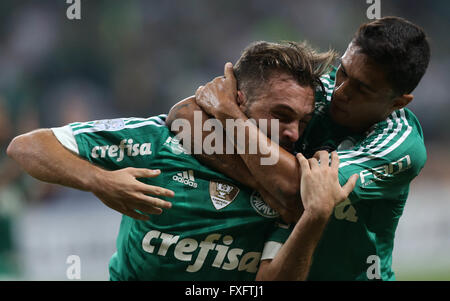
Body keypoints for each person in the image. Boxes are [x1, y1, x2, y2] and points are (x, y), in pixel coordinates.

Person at [7, 41, 357, 280]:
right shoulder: (161, 140)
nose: (294, 134)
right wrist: (101, 181)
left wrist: (315, 215)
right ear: (237, 100)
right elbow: (27, 147)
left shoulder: (295, 181)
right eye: (281, 115)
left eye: (303, 122)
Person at [167, 16, 430, 280]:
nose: (339, 91)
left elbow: (299, 194)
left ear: (398, 102)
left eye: (361, 89)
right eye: (343, 71)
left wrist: (228, 116)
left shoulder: (400, 145)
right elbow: (185, 114)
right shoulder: (317, 89)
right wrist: (269, 186)